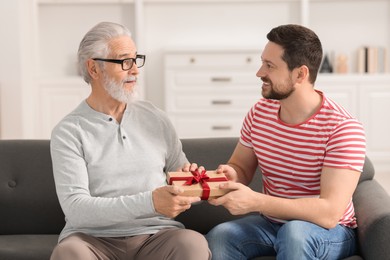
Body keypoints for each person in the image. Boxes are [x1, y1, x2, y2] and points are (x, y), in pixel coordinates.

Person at [50, 21, 210, 260]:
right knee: (70, 253)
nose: (135, 70)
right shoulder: (69, 130)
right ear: (94, 69)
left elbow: (181, 183)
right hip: (92, 240)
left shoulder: (156, 118)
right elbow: (77, 210)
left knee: (192, 244)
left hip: (156, 236)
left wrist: (195, 184)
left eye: (136, 60)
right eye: (125, 61)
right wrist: (151, 202)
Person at [205, 24, 366, 260]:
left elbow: (330, 212)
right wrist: (230, 174)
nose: (260, 72)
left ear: (300, 74)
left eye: (270, 66)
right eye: (262, 62)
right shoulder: (259, 113)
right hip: (271, 224)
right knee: (220, 236)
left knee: (295, 233)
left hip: (330, 231)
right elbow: (241, 167)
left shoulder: (342, 128)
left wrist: (257, 201)